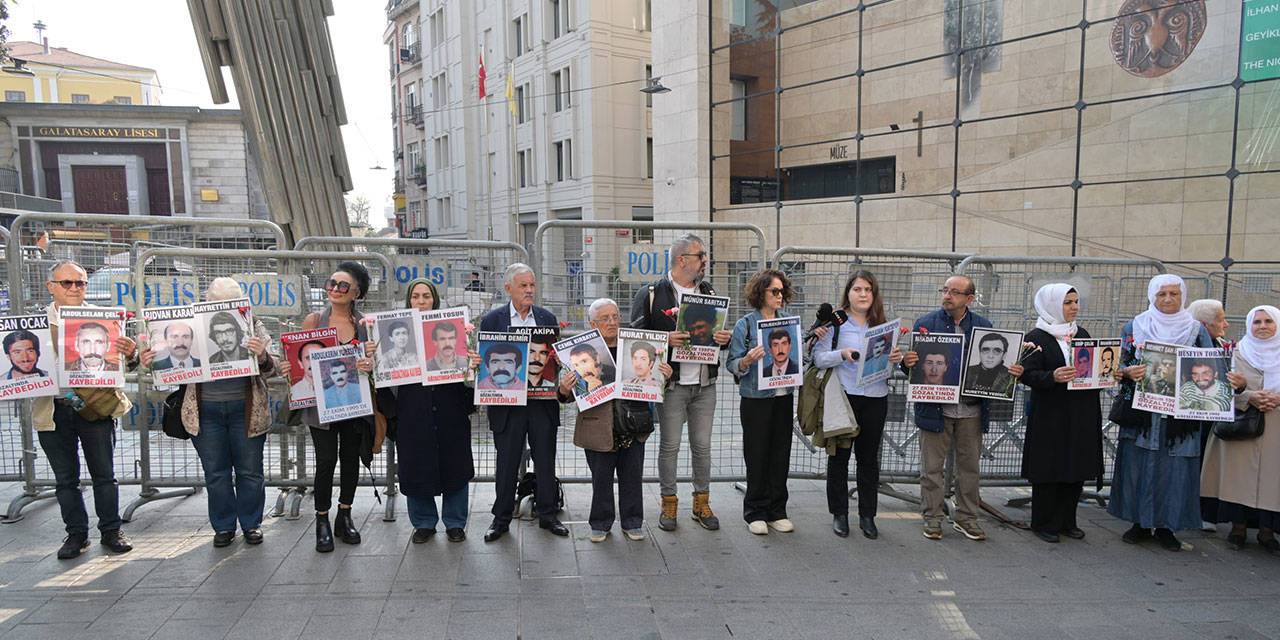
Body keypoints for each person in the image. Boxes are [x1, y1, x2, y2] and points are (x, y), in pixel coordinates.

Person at [140, 277, 276, 547]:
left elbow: (273, 368)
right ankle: (224, 526)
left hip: (246, 410)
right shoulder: (188, 327)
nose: (224, 306)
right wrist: (150, 362)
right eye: (217, 302)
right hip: (205, 411)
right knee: (216, 472)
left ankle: (251, 524)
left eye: (231, 302)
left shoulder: (252, 324)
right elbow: (168, 367)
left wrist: (262, 356)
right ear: (206, 302)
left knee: (250, 471)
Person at [902, 274, 1022, 542]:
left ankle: (967, 518)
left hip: (971, 410)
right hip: (935, 409)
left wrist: (1013, 371)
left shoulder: (983, 326)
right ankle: (932, 518)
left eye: (954, 292)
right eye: (945, 290)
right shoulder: (926, 324)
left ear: (969, 298)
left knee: (969, 469)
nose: (947, 296)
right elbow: (914, 368)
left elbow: (996, 369)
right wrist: (907, 363)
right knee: (932, 469)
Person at [629, 233, 731, 532]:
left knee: (702, 447)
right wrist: (665, 340)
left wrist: (724, 339)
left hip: (704, 384)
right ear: (681, 259)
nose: (705, 262)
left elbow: (718, 337)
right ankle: (668, 504)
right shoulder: (650, 293)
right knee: (670, 447)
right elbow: (634, 340)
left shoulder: (709, 291)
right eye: (701, 256)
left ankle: (701, 503)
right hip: (670, 385)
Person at [36, 260, 137, 559]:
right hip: (53, 411)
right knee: (65, 479)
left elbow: (124, 365)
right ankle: (76, 535)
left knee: (104, 474)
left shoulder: (104, 320)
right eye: (66, 282)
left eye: (80, 282)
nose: (74, 288)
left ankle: (111, 530)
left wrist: (129, 354)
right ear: (51, 286)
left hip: (97, 407)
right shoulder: (36, 324)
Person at [1109, 274, 1214, 551]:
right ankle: (1140, 522)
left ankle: (1168, 526)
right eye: (1161, 294)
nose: (1168, 299)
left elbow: (1211, 369)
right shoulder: (1136, 326)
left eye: (1174, 294)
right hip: (1143, 414)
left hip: (1180, 415)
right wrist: (1129, 371)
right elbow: (1119, 366)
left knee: (1176, 468)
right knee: (1138, 464)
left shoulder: (1196, 330)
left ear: (1183, 297)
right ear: (1152, 296)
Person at [279, 261, 377, 552]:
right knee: (325, 461)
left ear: (356, 292)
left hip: (353, 404)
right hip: (320, 408)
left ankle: (344, 516)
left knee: (350, 459)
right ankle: (322, 519)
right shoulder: (314, 320)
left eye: (342, 285)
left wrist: (369, 364)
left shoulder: (364, 325)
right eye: (331, 283)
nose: (334, 289)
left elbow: (375, 368)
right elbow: (299, 359)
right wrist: (289, 367)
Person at [373, 279, 476, 544]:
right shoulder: (394, 336)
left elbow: (467, 377)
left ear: (435, 300)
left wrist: (472, 364)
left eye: (426, 296)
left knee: (455, 465)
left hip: (449, 409)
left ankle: (455, 523)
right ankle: (424, 523)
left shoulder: (452, 330)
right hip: (412, 413)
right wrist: (393, 414)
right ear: (408, 301)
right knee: (416, 466)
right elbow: (383, 382)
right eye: (416, 296)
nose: (421, 301)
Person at [562, 299, 668, 542]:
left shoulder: (632, 347)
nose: (612, 322)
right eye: (605, 318)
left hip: (633, 423)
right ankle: (600, 522)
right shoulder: (581, 352)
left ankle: (632, 521)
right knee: (601, 478)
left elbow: (653, 386)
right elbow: (567, 396)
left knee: (632, 476)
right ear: (592, 323)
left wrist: (665, 377)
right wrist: (564, 388)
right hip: (598, 425)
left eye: (615, 316)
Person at [812, 270, 904, 539]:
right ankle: (839, 514)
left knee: (868, 460)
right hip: (844, 397)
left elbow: (891, 361)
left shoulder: (883, 326)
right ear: (848, 293)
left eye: (868, 290)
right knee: (839, 457)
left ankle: (867, 515)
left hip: (875, 397)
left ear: (874, 295)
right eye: (857, 289)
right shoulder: (836, 324)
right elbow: (818, 358)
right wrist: (841, 354)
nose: (863, 294)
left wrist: (895, 357)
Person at [479, 263, 568, 541]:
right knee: (506, 462)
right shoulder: (492, 321)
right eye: (523, 286)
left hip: (542, 404)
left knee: (545, 460)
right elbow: (485, 363)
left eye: (532, 285)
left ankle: (548, 514)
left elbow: (554, 363)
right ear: (509, 288)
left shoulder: (546, 317)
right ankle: (501, 518)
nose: (530, 290)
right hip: (506, 406)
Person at [1018, 284, 1104, 543]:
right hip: (1051, 413)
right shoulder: (1037, 337)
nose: (1074, 307)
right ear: (1053, 305)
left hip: (1080, 412)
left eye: (1076, 301)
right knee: (1050, 467)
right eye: (1068, 303)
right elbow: (1026, 374)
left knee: (1075, 465)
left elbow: (1094, 367)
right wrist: (1051, 376)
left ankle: (1068, 520)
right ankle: (1044, 522)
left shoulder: (1082, 333)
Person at [726, 269, 805, 536]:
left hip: (783, 397)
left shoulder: (788, 322)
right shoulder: (745, 325)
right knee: (757, 453)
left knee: (780, 453)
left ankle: (777, 510)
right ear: (761, 293)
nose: (780, 296)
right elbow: (732, 364)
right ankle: (755, 511)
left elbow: (799, 357)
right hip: (756, 398)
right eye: (774, 291)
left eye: (782, 291)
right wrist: (747, 360)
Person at [1202, 305, 1280, 554]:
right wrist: (1249, 396)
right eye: (1257, 322)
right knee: (1238, 478)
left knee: (1272, 480)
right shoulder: (1236, 353)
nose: (1263, 326)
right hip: (1242, 424)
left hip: (1275, 426)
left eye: (1268, 321)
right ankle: (1238, 529)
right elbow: (1217, 388)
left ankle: (1267, 533)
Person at [964, 332, 1014, 396]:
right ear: (980, 352)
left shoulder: (1010, 376)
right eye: (985, 350)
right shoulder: (968, 371)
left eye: (997, 351)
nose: (990, 356)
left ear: (1004, 355)